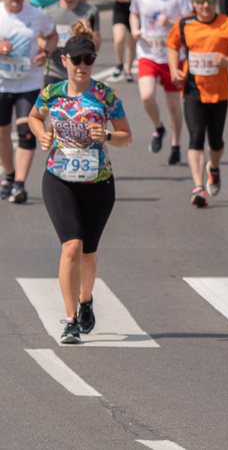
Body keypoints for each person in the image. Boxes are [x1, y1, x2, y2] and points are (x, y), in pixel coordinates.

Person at [28, 23, 132, 344]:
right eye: (77, 60)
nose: (83, 66)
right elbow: (34, 116)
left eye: (89, 60)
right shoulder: (52, 93)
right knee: (70, 247)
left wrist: (110, 136)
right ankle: (71, 318)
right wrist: (41, 133)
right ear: (65, 61)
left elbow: (127, 137)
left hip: (98, 181)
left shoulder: (105, 95)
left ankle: (86, 299)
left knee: (88, 253)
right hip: (59, 179)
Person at [166, 0, 228, 207]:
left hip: (219, 91)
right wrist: (174, 69)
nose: (205, 6)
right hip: (192, 89)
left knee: (215, 141)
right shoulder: (184, 24)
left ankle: (213, 168)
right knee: (195, 138)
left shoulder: (227, 23)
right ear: (194, 3)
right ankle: (198, 187)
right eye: (201, 2)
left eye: (210, 1)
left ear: (216, 1)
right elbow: (172, 46)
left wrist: (226, 60)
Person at [0, 0, 58, 204]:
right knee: (3, 135)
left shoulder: (36, 14)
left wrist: (46, 53)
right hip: (2, 84)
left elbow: (52, 35)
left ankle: (19, 184)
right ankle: (9, 174)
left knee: (26, 132)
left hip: (29, 83)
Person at [130, 0, 192, 165]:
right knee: (146, 96)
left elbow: (189, 21)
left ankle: (175, 145)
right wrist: (135, 29)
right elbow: (134, 13)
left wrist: (171, 23)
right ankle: (158, 127)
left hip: (173, 56)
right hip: (147, 53)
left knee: (174, 106)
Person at [43, 0, 100, 88]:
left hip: (80, 74)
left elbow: (96, 46)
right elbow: (39, 39)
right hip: (54, 72)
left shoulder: (90, 12)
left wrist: (88, 31)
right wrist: (48, 46)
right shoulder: (47, 13)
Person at [107, 0, 145, 82]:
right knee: (119, 38)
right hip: (119, 9)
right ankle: (119, 64)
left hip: (133, 11)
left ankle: (128, 69)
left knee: (131, 42)